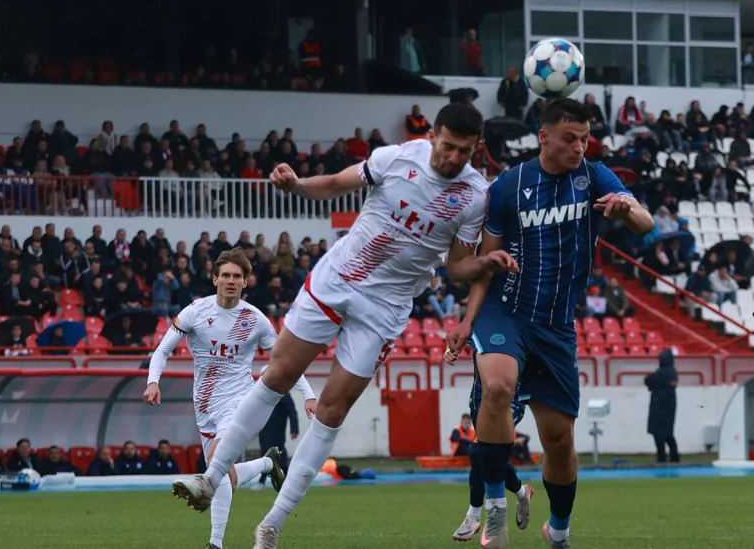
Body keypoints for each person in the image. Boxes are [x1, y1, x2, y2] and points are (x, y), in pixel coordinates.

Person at [172, 104, 515, 549]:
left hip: (385, 309)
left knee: (331, 412)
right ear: (432, 136)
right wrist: (295, 185)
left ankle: (272, 523)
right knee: (278, 375)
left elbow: (457, 268)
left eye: (464, 152)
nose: (453, 159)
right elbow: (336, 184)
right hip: (336, 281)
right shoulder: (395, 158)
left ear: (476, 148)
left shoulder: (474, 196)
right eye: (448, 147)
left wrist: (485, 261)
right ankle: (209, 478)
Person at [446, 98, 654, 549]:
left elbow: (645, 221)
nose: (579, 147)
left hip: (558, 326)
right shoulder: (507, 187)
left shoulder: (596, 176)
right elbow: (485, 264)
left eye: (584, 138)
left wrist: (625, 209)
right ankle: (496, 515)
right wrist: (468, 320)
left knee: (559, 441)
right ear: (544, 137)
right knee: (498, 388)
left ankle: (557, 526)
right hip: (508, 311)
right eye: (569, 138)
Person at [148, 248, 317, 549]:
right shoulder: (195, 312)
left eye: (237, 276)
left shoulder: (256, 320)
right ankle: (266, 464)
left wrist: (309, 395)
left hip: (239, 402)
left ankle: (215, 544)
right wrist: (153, 381)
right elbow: (162, 350)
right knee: (226, 476)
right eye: (225, 275)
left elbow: (285, 362)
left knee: (216, 463)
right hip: (204, 405)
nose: (231, 280)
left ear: (245, 282)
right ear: (215, 279)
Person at [448, 359, 534, 543]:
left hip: (511, 395)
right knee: (487, 454)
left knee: (479, 449)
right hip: (481, 396)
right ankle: (521, 493)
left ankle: (474, 515)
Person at [644, 349, 679, 463]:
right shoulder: (672, 372)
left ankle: (662, 457)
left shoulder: (664, 372)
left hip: (659, 405)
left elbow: (648, 380)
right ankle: (674, 457)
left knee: (659, 433)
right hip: (667, 405)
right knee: (667, 433)